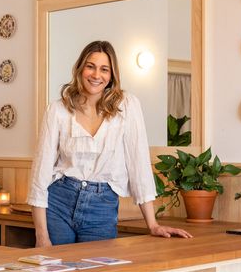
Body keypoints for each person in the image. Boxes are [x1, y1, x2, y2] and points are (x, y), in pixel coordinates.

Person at [27, 40, 192, 246]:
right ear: (80, 69)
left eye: (104, 69)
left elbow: (138, 164)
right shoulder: (57, 110)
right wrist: (41, 235)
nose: (96, 75)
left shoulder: (128, 106)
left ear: (112, 75)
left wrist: (153, 224)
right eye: (90, 66)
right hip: (59, 202)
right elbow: (40, 172)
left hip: (102, 207)